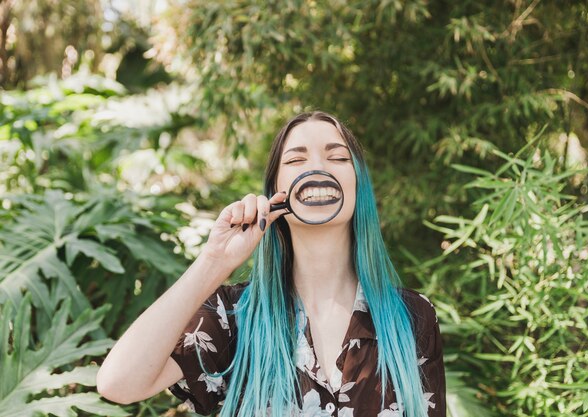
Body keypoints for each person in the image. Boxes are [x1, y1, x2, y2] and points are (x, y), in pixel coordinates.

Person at [96, 111, 446, 417]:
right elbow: (118, 383)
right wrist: (214, 261)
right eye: (296, 160)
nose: (317, 167)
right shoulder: (233, 316)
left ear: (358, 184)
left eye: (337, 157)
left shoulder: (412, 317)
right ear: (277, 192)